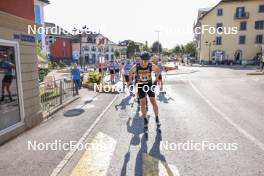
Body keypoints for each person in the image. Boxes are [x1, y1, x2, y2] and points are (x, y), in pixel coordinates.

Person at [128, 52, 161, 138]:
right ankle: (145, 119)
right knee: (143, 104)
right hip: (140, 86)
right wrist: (130, 82)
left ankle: (157, 117)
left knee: (153, 102)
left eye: (147, 61)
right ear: (141, 59)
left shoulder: (151, 65)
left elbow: (158, 70)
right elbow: (130, 72)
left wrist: (156, 80)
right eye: (144, 61)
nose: (145, 62)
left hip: (149, 85)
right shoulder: (137, 66)